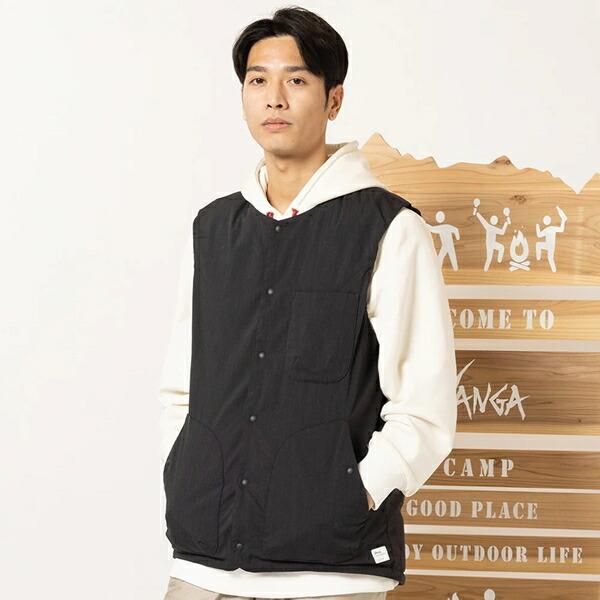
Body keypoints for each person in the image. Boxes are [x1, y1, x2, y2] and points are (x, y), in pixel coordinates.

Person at [158, 6, 457, 600]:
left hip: (331, 569)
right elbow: (181, 387)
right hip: (202, 562)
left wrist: (350, 496)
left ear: (333, 99)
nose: (274, 98)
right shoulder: (213, 229)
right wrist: (185, 473)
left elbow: (424, 408)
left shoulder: (388, 228)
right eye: (257, 79)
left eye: (295, 79)